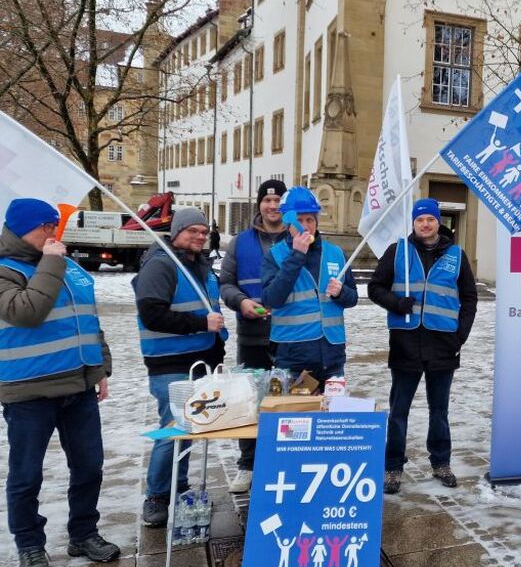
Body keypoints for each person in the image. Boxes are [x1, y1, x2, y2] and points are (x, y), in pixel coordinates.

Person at [0, 199, 121, 567]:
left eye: (55, 227)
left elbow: (88, 319)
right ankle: (30, 545)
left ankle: (83, 533)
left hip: (78, 386)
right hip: (28, 392)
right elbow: (26, 312)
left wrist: (100, 367)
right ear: (19, 229)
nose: (53, 235)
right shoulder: (5, 270)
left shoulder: (68, 268)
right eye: (44, 229)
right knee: (26, 474)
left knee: (89, 466)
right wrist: (52, 262)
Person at [368, 198, 478, 494]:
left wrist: (460, 335)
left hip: (443, 344)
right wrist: (396, 302)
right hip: (406, 343)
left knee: (439, 410)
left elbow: (469, 298)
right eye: (420, 220)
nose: (425, 224)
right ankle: (393, 467)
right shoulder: (398, 252)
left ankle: (441, 462)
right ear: (413, 224)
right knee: (399, 410)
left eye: (430, 219)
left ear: (438, 222)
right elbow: (375, 288)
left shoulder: (456, 255)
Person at [134, 207, 227, 528]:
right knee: (174, 430)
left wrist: (218, 355)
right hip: (170, 363)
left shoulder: (199, 266)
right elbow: (152, 315)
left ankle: (178, 484)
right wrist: (201, 322)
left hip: (199, 361)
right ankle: (157, 495)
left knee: (188, 429)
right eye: (192, 231)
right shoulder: (162, 265)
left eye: (203, 232)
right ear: (176, 233)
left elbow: (212, 313)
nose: (199, 237)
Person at [219, 179, 288, 492]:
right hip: (252, 335)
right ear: (259, 204)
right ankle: (247, 464)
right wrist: (241, 301)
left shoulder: (299, 238)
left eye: (278, 201)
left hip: (290, 334)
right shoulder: (240, 242)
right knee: (249, 400)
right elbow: (226, 284)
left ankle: (282, 461)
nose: (272, 207)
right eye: (267, 201)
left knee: (287, 400)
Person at [261, 187, 358, 388]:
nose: (305, 226)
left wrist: (341, 293)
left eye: (310, 220)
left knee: (330, 417)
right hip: (293, 356)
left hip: (332, 355)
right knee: (295, 416)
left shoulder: (335, 253)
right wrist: (297, 256)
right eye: (300, 220)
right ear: (288, 223)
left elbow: (353, 298)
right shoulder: (276, 255)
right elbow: (272, 299)